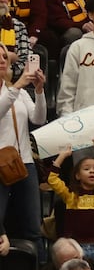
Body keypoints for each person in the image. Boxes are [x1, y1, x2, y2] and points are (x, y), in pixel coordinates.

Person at [47, 140, 94, 270]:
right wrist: (62, 156)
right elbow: (52, 178)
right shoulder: (70, 195)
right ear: (77, 175)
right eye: (87, 169)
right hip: (76, 250)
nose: (92, 171)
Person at [0, 49, 47, 246]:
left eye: (4, 56)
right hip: (0, 164)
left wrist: (39, 91)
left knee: (33, 227)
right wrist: (18, 85)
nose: (2, 60)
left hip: (24, 162)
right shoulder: (15, 90)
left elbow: (38, 118)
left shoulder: (19, 93)